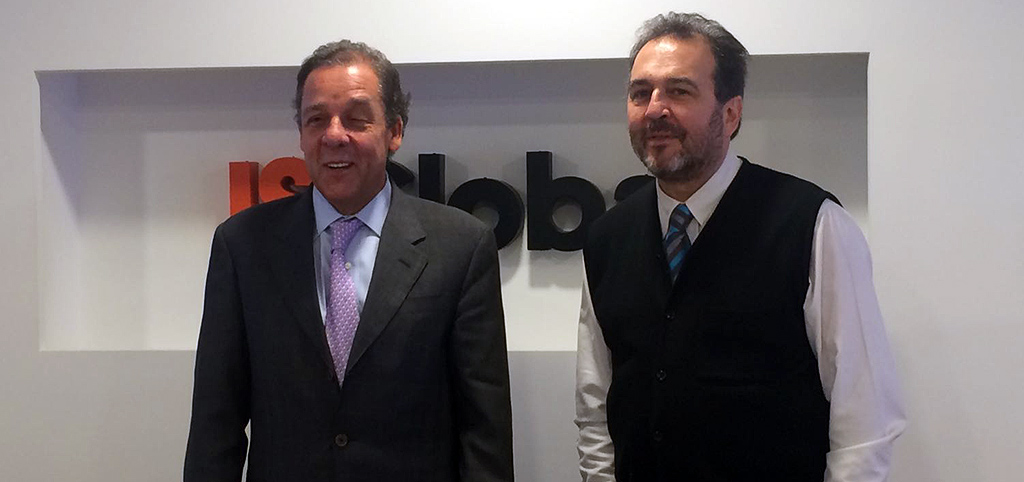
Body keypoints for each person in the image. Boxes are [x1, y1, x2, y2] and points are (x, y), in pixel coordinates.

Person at [575, 12, 906, 482]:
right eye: (640, 93)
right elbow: (595, 406)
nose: (654, 110)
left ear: (730, 114)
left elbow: (865, 418)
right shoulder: (607, 239)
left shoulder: (812, 224)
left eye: (679, 91)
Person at [184, 40, 514, 482]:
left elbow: (484, 430)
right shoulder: (243, 245)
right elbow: (215, 423)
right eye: (316, 119)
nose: (334, 135)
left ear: (394, 131)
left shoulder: (461, 246)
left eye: (357, 119)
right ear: (301, 134)